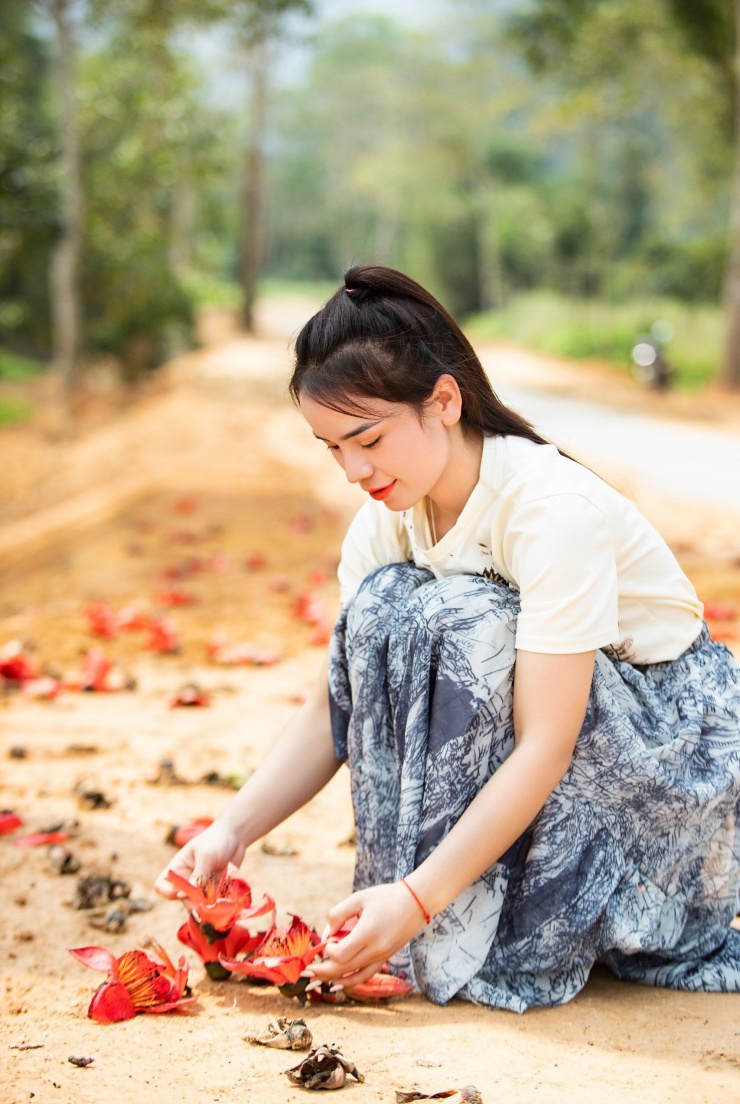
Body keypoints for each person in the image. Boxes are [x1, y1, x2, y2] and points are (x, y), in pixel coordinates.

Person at [156, 265, 740, 1013]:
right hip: (578, 739)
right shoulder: (385, 520)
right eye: (331, 447)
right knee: (383, 609)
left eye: (366, 438)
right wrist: (230, 830)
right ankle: (427, 904)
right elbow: (332, 709)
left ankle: (473, 912)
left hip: (665, 760)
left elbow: (547, 744)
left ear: (443, 401)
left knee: (460, 620)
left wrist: (419, 899)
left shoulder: (547, 511)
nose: (353, 470)